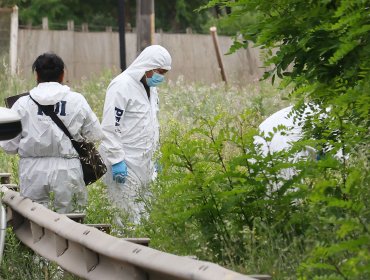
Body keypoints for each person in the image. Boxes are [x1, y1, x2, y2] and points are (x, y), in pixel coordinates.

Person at [0, 52, 104, 214]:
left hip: (33, 172)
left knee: (35, 220)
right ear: (62, 74)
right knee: (72, 221)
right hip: (68, 169)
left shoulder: (22, 104)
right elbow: (95, 135)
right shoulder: (77, 100)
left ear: (37, 75)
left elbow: (9, 146)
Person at [99, 45, 172, 223]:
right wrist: (116, 160)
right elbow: (110, 126)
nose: (160, 76)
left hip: (145, 164)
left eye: (164, 72)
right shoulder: (121, 85)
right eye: (159, 71)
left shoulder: (150, 89)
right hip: (125, 164)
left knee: (145, 217)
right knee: (127, 217)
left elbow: (152, 125)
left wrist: (157, 156)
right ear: (147, 67)